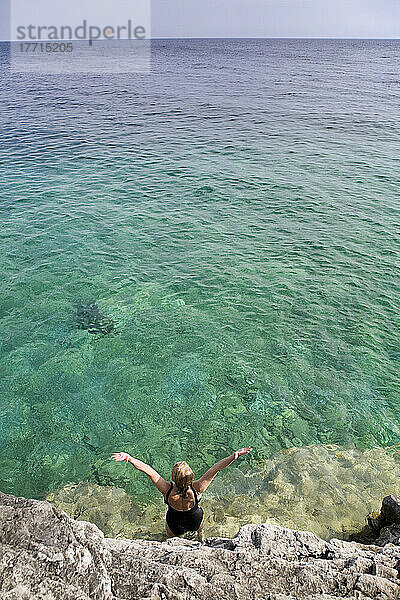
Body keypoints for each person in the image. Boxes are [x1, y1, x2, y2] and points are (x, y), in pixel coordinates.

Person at [111, 447, 252, 538]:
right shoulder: (197, 489)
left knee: (174, 543)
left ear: (173, 477)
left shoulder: (167, 489)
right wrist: (235, 455)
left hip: (174, 522)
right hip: (195, 519)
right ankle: (201, 541)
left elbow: (148, 470)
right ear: (191, 476)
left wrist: (129, 458)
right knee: (200, 533)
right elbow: (216, 468)